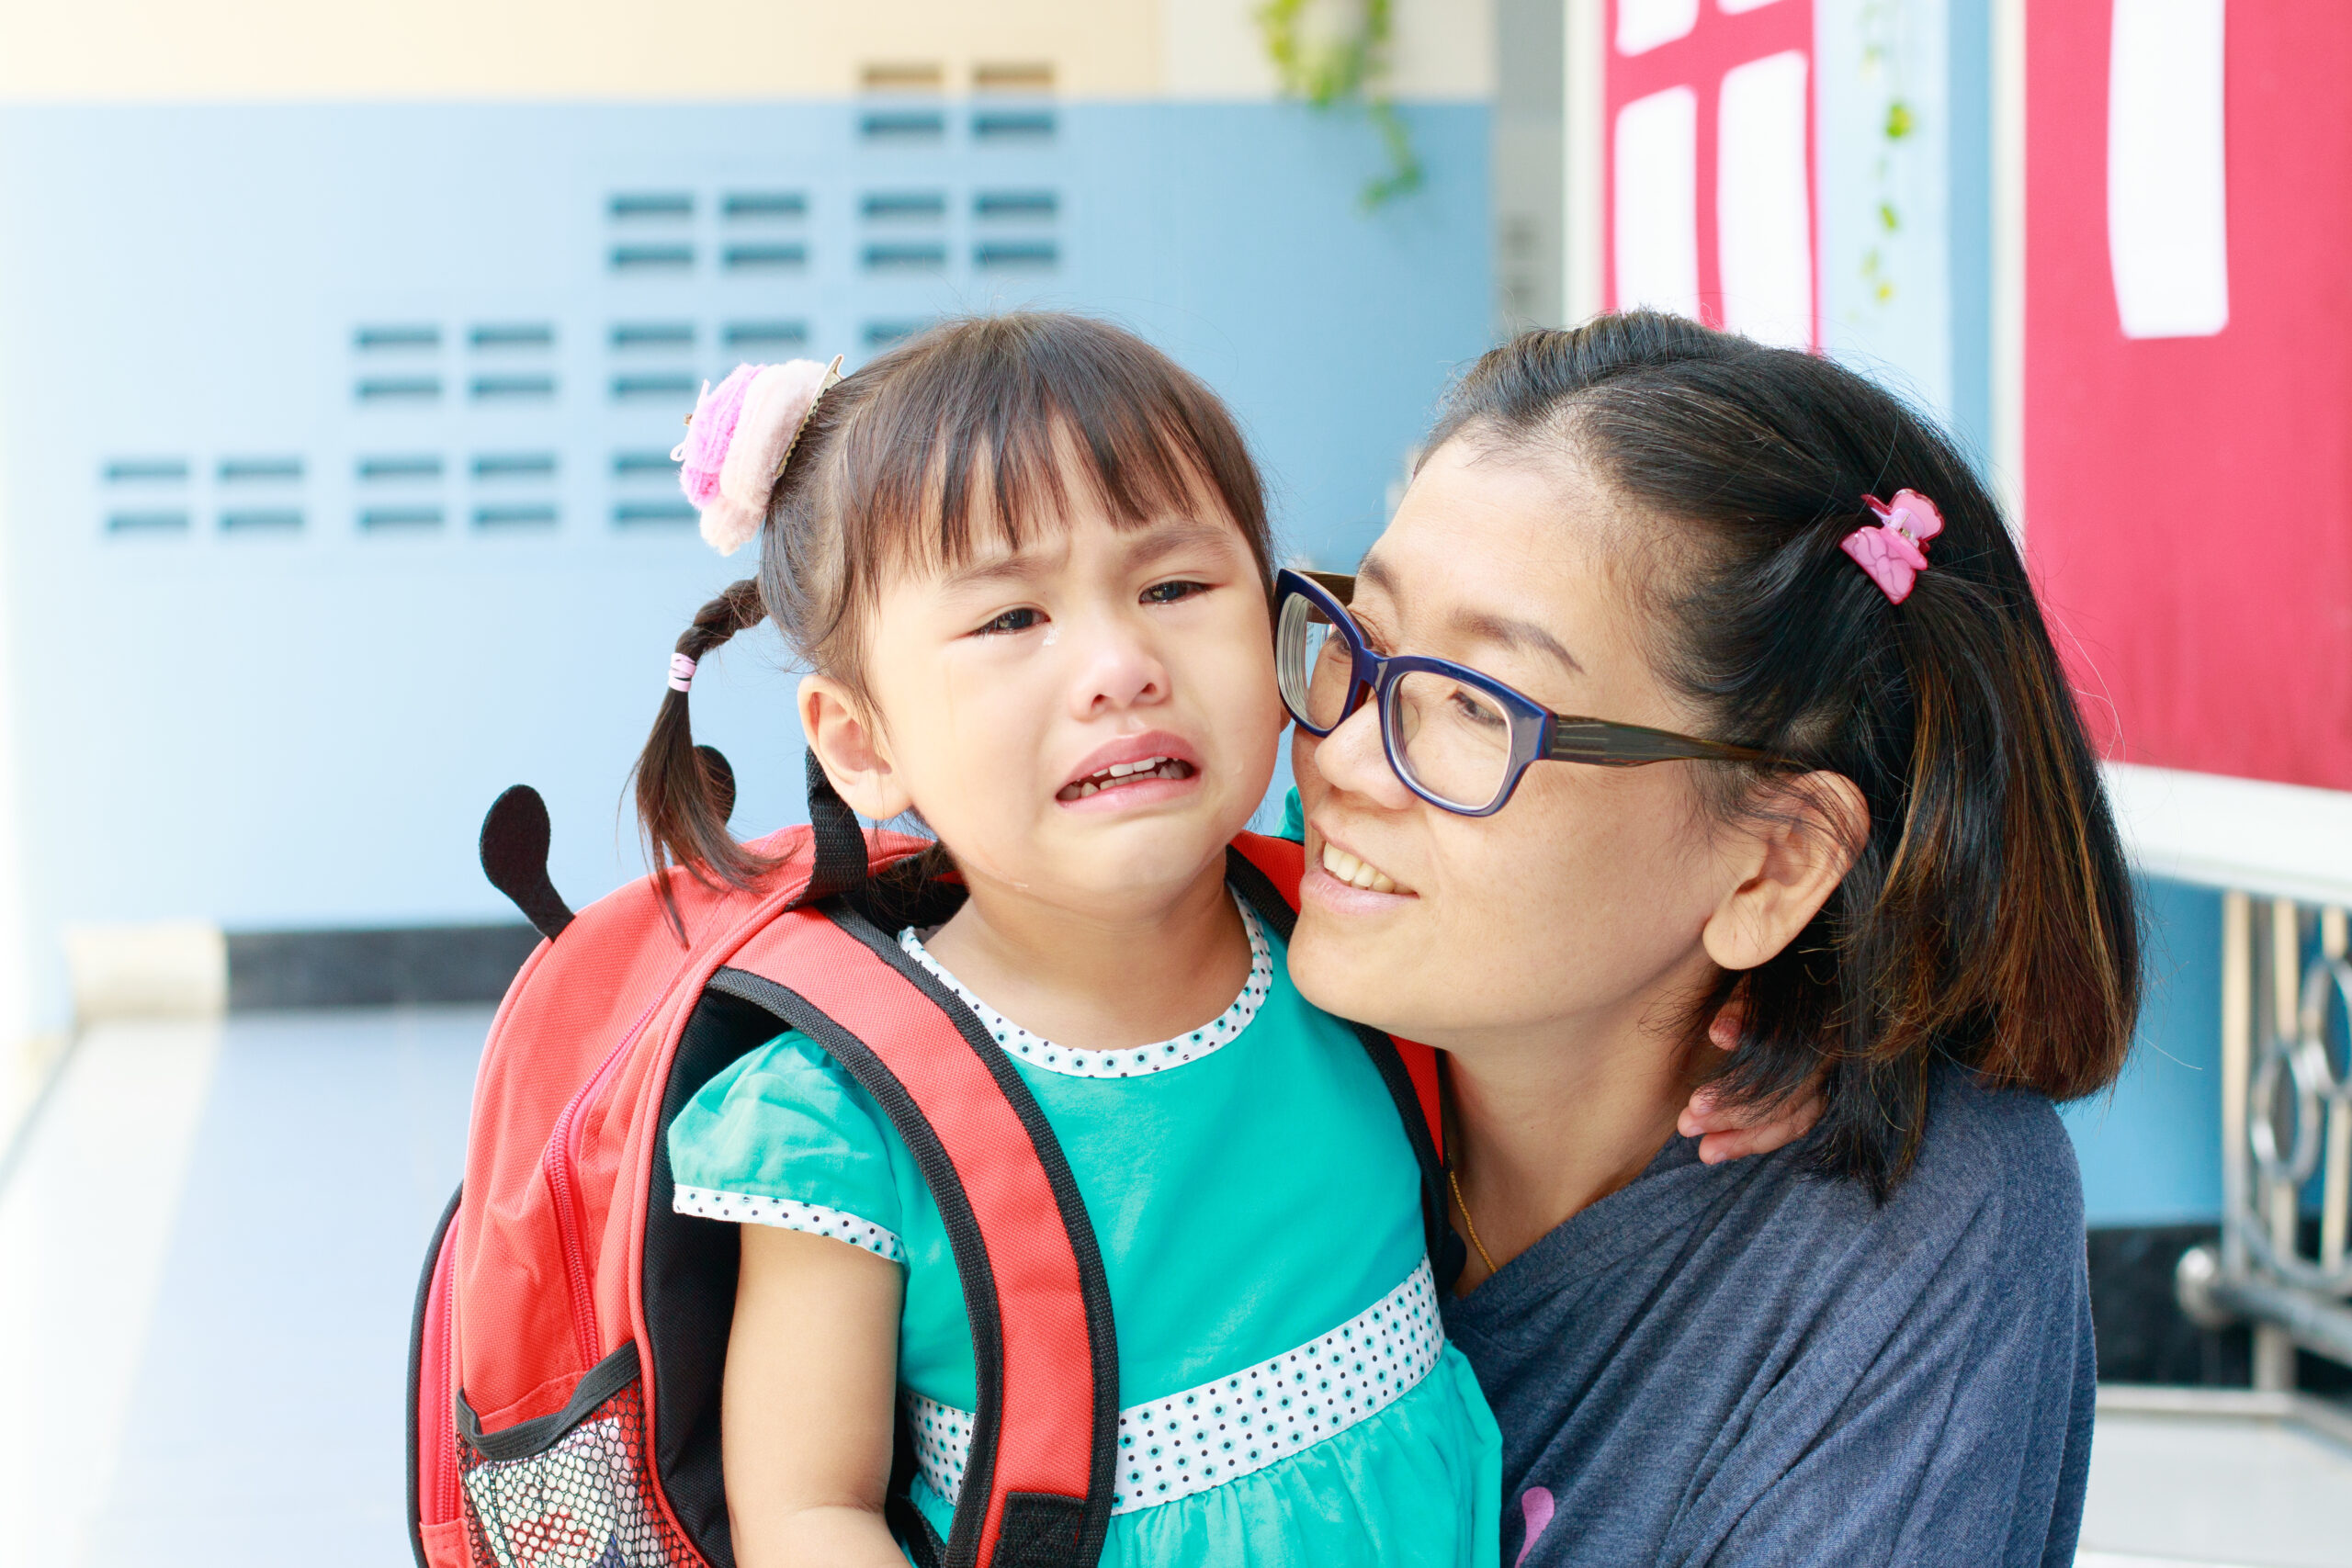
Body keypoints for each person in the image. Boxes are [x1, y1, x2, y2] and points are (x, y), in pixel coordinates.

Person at [643, 314, 1511, 1566]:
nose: (1119, 665)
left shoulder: (1357, 932)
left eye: (1174, 588)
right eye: (1010, 620)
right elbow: (808, 1511)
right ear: (861, 742)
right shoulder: (843, 1122)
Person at [1277, 313, 2139, 1567]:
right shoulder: (1208, 1049)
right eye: (1366, 636)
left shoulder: (1912, 1218)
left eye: (1473, 704)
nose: (1343, 759)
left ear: (1774, 860)